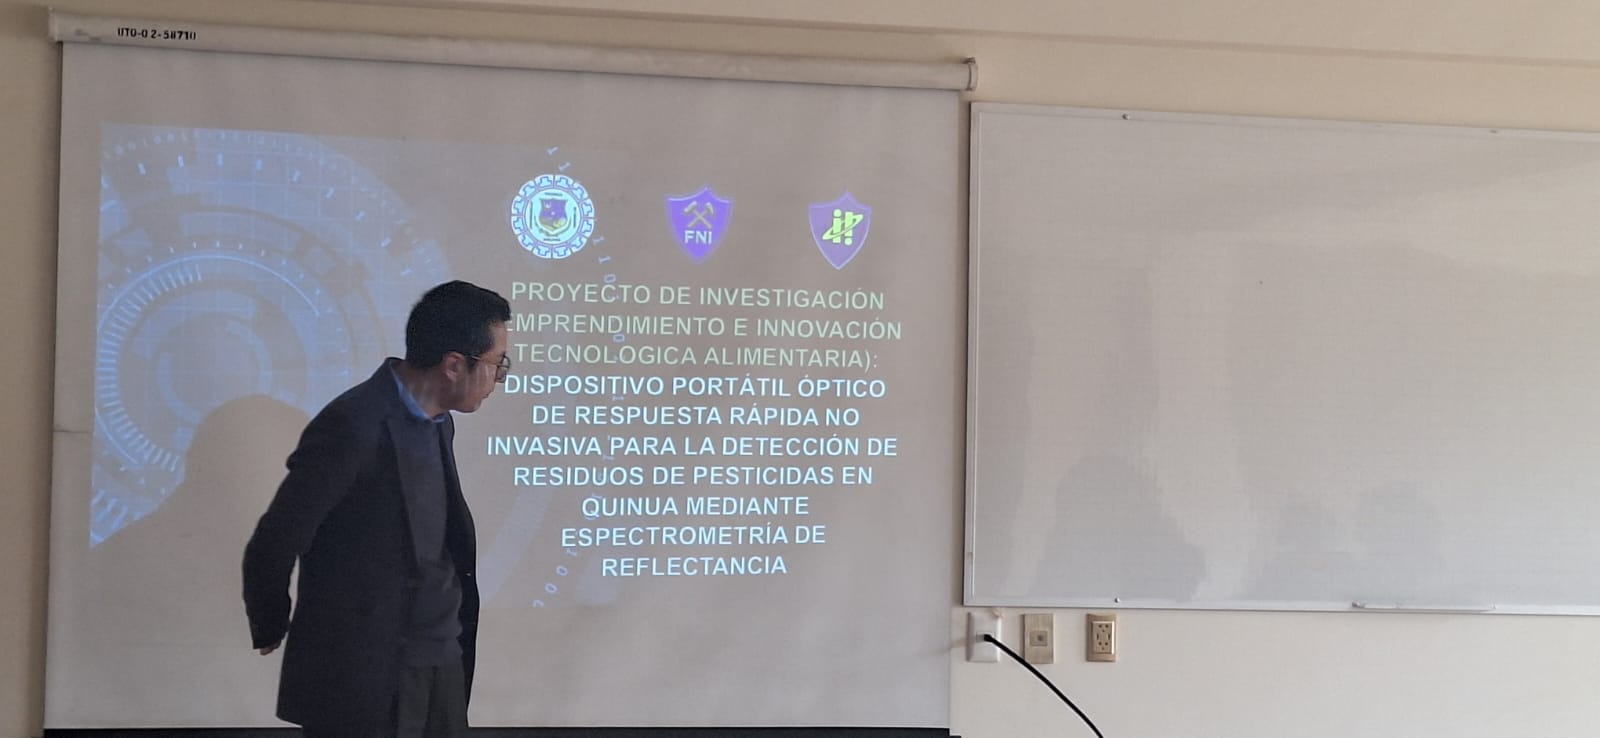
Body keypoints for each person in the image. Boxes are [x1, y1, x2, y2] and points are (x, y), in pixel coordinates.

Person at [243, 280, 511, 738]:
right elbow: (278, 536)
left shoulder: (440, 424)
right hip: (366, 672)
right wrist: (270, 621)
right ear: (453, 365)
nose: (498, 379)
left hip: (440, 661)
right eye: (496, 364)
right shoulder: (353, 424)